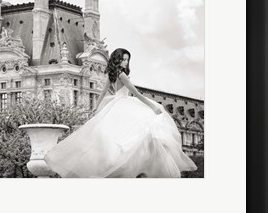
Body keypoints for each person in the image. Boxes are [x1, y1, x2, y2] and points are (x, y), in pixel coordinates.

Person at [44, 48, 197, 178]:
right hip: (124, 103)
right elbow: (136, 93)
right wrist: (153, 106)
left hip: (115, 105)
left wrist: (95, 111)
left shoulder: (111, 74)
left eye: (127, 60)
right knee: (143, 131)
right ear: (118, 60)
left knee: (119, 138)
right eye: (124, 59)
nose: (126, 62)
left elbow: (103, 93)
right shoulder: (122, 75)